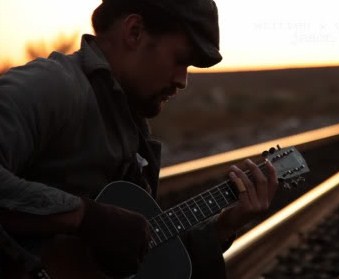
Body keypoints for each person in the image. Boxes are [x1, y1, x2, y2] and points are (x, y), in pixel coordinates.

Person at [0, 0, 279, 278]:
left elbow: (134, 257)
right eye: (180, 60)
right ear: (134, 31)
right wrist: (87, 217)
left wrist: (223, 227)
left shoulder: (130, 123)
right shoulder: (51, 87)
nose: (183, 80)